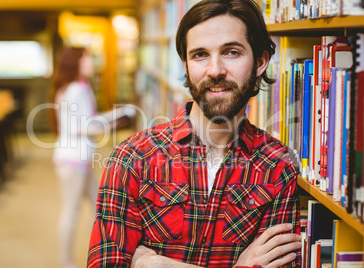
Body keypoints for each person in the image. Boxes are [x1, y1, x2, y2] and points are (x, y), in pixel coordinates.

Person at [87, 0, 301, 267]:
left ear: (260, 63)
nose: (215, 71)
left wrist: (157, 264)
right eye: (200, 55)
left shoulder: (279, 166)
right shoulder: (132, 156)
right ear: (186, 66)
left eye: (232, 52)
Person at [49, 46, 112, 268]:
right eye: (88, 59)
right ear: (76, 62)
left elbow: (88, 119)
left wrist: (107, 119)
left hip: (80, 159)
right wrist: (108, 124)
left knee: (99, 207)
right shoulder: (75, 89)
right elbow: (77, 127)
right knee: (71, 210)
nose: (92, 63)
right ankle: (66, 261)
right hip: (73, 160)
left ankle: (99, 253)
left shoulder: (77, 87)